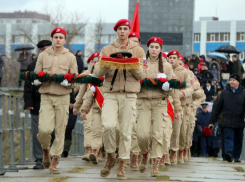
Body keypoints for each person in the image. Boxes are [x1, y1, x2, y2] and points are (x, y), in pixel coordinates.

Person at [93, 19, 145, 180]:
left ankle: (123, 162)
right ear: (116, 31)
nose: (123, 31)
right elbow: (97, 74)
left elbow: (142, 75)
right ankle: (110, 156)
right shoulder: (107, 49)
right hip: (110, 93)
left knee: (126, 131)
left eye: (125, 29)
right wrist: (107, 63)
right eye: (120, 29)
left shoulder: (138, 50)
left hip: (129, 95)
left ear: (129, 31)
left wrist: (131, 64)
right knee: (108, 126)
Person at [34, 27, 78, 174]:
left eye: (61, 37)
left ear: (65, 40)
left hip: (63, 97)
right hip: (46, 96)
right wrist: (36, 80)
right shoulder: (43, 55)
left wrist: (70, 83)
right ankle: (46, 150)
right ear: (52, 39)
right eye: (56, 37)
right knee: (44, 129)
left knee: (60, 130)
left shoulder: (70, 57)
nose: (58, 39)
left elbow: (76, 78)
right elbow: (36, 73)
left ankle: (54, 160)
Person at [136, 38, 181, 176]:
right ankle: (144, 154)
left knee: (158, 134)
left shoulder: (167, 66)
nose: (154, 49)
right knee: (142, 135)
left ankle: (155, 162)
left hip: (159, 103)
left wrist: (167, 87)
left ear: (161, 49)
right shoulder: (141, 63)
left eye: (157, 47)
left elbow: (173, 88)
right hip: (142, 101)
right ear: (147, 48)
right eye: (151, 47)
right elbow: (134, 83)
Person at [24, 40, 52, 170]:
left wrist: (70, 100)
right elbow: (28, 85)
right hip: (37, 103)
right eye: (44, 49)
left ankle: (51, 155)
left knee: (52, 131)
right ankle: (39, 159)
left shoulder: (56, 64)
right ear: (40, 51)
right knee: (37, 132)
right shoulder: (32, 65)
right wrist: (28, 103)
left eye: (48, 49)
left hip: (53, 103)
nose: (46, 52)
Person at [209, 74, 245, 163]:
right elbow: (218, 108)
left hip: (239, 121)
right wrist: (212, 121)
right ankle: (229, 154)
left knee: (238, 139)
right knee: (228, 138)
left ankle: (236, 156)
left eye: (234, 80)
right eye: (231, 79)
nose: (232, 81)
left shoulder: (243, 93)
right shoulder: (225, 93)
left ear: (238, 82)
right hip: (227, 120)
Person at [73, 52, 100, 161]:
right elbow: (79, 90)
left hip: (100, 104)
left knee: (99, 129)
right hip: (87, 105)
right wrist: (76, 105)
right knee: (88, 127)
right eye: (94, 62)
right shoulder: (86, 74)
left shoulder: (104, 74)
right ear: (90, 63)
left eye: (98, 62)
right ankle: (88, 150)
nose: (96, 64)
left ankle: (97, 150)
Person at [168, 50, 194, 165]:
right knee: (166, 131)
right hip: (167, 104)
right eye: (170, 57)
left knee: (179, 131)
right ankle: (165, 153)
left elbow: (191, 88)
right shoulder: (164, 69)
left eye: (174, 58)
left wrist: (182, 93)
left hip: (181, 105)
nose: (172, 60)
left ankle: (176, 151)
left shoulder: (185, 72)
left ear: (178, 59)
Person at [128, 31, 143, 171]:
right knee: (128, 129)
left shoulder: (144, 57)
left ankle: (137, 154)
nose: (132, 43)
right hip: (128, 97)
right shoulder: (120, 55)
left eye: (135, 41)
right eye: (130, 40)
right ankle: (130, 155)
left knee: (139, 131)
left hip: (142, 100)